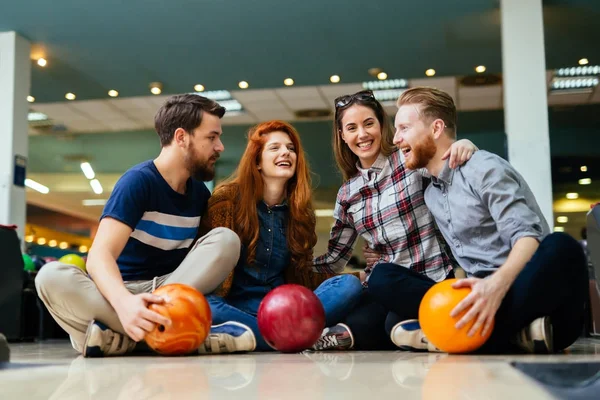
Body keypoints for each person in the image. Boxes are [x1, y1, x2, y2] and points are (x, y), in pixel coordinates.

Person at [384, 86, 588, 353]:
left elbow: (529, 238)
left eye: (404, 128)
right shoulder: (430, 192)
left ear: (436, 129)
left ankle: (452, 338)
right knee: (384, 279)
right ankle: (514, 334)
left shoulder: (484, 169)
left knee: (563, 247)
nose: (396, 139)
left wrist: (494, 286)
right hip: (477, 296)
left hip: (522, 287)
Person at [35, 94, 241, 357]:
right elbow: (99, 258)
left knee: (226, 240)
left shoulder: (199, 193)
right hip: (124, 290)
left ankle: (119, 337)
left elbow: (204, 262)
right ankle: (164, 333)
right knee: (49, 277)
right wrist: (124, 304)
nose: (220, 146)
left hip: (171, 291)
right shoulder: (138, 182)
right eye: (211, 137)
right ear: (181, 137)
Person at [313, 90, 478, 350]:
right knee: (374, 320)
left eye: (369, 123)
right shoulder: (347, 193)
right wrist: (290, 268)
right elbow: (334, 259)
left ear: (381, 125)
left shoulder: (408, 160)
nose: (362, 134)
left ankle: (442, 321)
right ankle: (428, 332)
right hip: (387, 292)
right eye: (351, 128)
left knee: (381, 282)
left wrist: (465, 146)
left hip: (430, 280)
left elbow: (448, 169)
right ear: (342, 136)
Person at [196, 120, 363, 353]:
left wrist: (359, 276)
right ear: (257, 161)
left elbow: (301, 276)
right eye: (275, 148)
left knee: (348, 285)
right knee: (206, 305)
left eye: (291, 148)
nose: (286, 152)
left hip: (285, 308)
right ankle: (296, 337)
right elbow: (205, 266)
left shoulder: (300, 212)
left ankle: (260, 338)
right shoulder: (226, 199)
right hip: (235, 307)